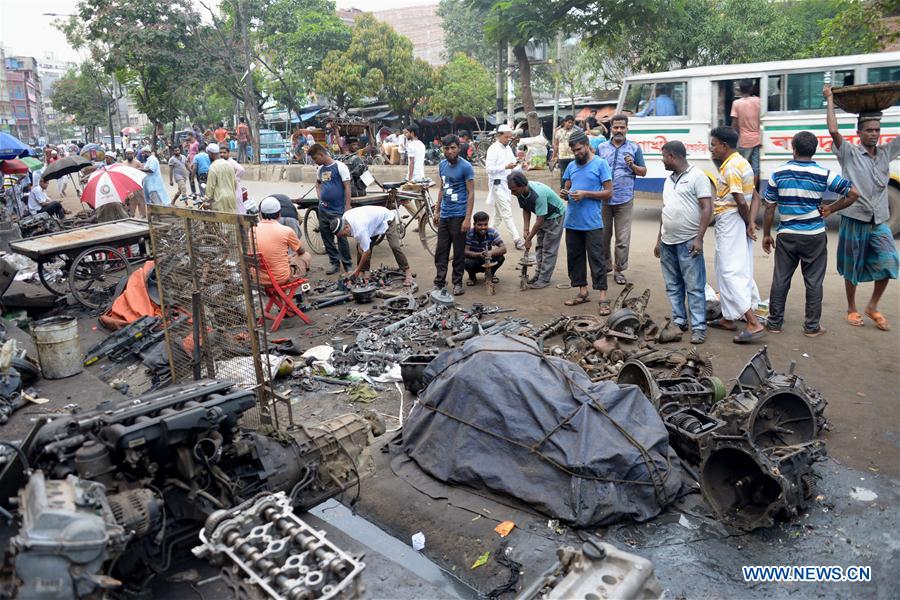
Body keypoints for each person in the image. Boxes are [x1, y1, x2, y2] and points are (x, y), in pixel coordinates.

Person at [762, 131, 859, 338]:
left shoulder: (778, 173)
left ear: (794, 148)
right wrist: (832, 208)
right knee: (814, 281)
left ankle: (775, 323)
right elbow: (853, 194)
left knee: (780, 279)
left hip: (786, 235)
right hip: (814, 235)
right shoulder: (824, 174)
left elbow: (769, 208)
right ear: (814, 150)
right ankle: (812, 327)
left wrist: (767, 234)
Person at [824, 84, 899, 331]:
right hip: (854, 219)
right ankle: (852, 308)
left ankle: (873, 306)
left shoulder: (886, 153)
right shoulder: (849, 153)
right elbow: (833, 130)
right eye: (869, 130)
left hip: (879, 221)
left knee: (889, 263)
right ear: (859, 132)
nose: (874, 134)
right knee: (851, 268)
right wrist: (830, 100)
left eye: (877, 130)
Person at [708, 126, 764, 343]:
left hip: (730, 221)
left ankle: (752, 322)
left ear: (724, 145)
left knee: (729, 270)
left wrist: (747, 222)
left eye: (714, 145)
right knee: (732, 268)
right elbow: (756, 197)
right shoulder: (743, 163)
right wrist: (750, 222)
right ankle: (729, 317)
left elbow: (741, 200)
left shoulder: (731, 167)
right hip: (737, 221)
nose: (712, 149)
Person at [654, 141, 713, 344]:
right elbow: (665, 210)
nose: (662, 161)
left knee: (694, 286)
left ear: (671, 156)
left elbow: (707, 208)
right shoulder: (668, 181)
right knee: (673, 285)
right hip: (667, 242)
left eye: (663, 157)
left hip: (688, 241)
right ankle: (680, 320)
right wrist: (658, 240)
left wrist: (699, 238)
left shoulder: (698, 177)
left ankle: (698, 327)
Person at [561, 130, 613, 314]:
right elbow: (567, 188)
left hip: (592, 222)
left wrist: (586, 194)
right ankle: (583, 292)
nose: (576, 153)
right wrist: (565, 193)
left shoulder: (601, 164)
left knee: (597, 259)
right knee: (575, 258)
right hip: (573, 221)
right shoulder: (571, 166)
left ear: (586, 144)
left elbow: (608, 193)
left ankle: (603, 298)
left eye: (579, 149)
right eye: (574, 151)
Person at [595, 114, 647, 286]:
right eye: (615, 127)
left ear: (627, 129)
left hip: (625, 199)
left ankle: (619, 270)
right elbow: (594, 170)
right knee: (603, 236)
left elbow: (643, 172)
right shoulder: (601, 147)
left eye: (622, 127)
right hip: (603, 198)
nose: (618, 130)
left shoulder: (634, 148)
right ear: (611, 128)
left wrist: (632, 165)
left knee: (622, 239)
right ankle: (606, 265)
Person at [508, 171, 566, 289]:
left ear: (523, 185)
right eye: (510, 190)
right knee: (540, 247)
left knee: (549, 249)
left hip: (555, 216)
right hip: (544, 216)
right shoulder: (520, 193)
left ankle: (544, 279)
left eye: (514, 190)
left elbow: (539, 220)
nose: (512, 193)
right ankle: (539, 274)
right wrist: (525, 229)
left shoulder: (537, 194)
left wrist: (529, 238)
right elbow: (526, 209)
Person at [434, 134, 475, 295]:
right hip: (445, 214)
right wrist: (437, 211)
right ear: (443, 149)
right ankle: (439, 282)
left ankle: (457, 283)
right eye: (446, 148)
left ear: (458, 148)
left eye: (453, 148)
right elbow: (442, 188)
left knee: (458, 251)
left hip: (459, 215)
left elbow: (471, 193)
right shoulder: (442, 165)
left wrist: (467, 218)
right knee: (441, 251)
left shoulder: (466, 167)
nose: (450, 151)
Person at [333, 206, 412, 285]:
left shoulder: (360, 229)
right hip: (372, 224)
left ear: (346, 227)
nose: (345, 237)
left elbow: (366, 252)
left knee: (394, 246)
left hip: (387, 219)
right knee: (361, 247)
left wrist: (356, 270)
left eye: (344, 234)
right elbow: (362, 246)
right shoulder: (345, 218)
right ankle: (364, 271)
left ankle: (407, 271)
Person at [309, 143, 352, 274]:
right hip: (323, 209)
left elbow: (347, 187)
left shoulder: (340, 166)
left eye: (315, 158)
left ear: (321, 154)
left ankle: (347, 265)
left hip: (337, 209)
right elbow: (317, 183)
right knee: (326, 236)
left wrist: (347, 207)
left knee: (342, 238)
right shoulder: (320, 169)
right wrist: (319, 196)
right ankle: (334, 263)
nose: (315, 162)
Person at [255, 196, 312, 286]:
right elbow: (301, 251)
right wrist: (294, 255)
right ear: (279, 214)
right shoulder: (286, 231)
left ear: (261, 214)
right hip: (280, 279)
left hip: (259, 279)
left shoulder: (252, 230)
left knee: (287, 257)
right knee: (306, 256)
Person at [485, 124, 524, 249]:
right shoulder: (493, 149)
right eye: (506, 137)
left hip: (507, 184)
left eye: (510, 137)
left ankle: (487, 237)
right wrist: (505, 167)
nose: (508, 139)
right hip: (497, 184)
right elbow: (489, 169)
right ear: (499, 136)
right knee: (506, 213)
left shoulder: (507, 148)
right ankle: (517, 239)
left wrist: (521, 165)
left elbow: (513, 165)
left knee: (498, 216)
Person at [730, 79, 762, 189]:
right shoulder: (758, 101)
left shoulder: (736, 103)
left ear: (739, 89)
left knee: (741, 167)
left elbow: (734, 124)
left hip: (744, 140)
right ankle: (753, 190)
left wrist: (733, 136)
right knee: (756, 168)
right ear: (751, 88)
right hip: (757, 139)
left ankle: (744, 189)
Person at [464, 211, 507, 285]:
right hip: (474, 262)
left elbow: (503, 249)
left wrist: (490, 253)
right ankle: (472, 277)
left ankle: (490, 274)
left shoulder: (492, 232)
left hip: (488, 261)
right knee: (464, 261)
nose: (483, 227)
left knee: (501, 257)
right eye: (480, 225)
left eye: (485, 224)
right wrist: (479, 254)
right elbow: (465, 251)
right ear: (474, 224)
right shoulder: (469, 233)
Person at [205, 143, 237, 212]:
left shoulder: (213, 167)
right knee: (230, 220)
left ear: (210, 153)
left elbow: (210, 186)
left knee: (220, 220)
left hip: (219, 199)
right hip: (231, 197)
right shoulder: (229, 165)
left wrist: (207, 199)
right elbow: (235, 183)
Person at [551, 115, 577, 186]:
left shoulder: (575, 132)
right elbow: (556, 145)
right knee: (563, 174)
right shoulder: (558, 132)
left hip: (573, 156)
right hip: (562, 157)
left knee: (573, 173)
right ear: (565, 122)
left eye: (572, 123)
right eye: (569, 122)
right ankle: (563, 191)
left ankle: (573, 190)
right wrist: (553, 156)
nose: (570, 124)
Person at [220, 145, 246, 214]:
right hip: (228, 188)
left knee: (238, 206)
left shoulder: (231, 162)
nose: (222, 154)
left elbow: (241, 170)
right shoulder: (223, 162)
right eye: (220, 153)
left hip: (235, 188)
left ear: (228, 153)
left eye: (224, 152)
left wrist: (235, 178)